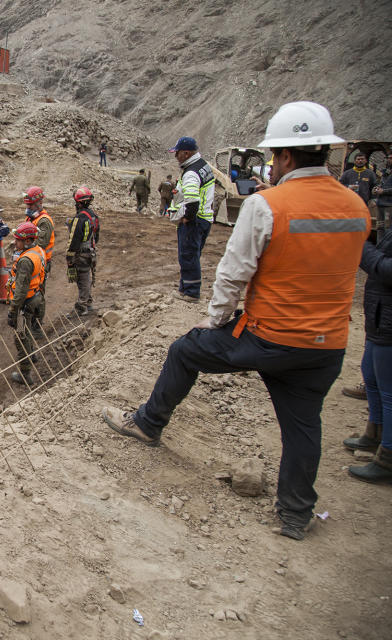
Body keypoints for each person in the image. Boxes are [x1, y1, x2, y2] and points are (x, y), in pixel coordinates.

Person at [100, 101, 371, 540]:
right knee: (303, 424)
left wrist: (216, 320)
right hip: (326, 345)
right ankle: (296, 514)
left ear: (283, 156)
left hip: (270, 335)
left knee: (186, 350)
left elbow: (233, 271)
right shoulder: (357, 206)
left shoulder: (268, 205)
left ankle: (149, 424)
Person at [346, 227, 392, 484]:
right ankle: (374, 433)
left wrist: (361, 247)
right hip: (380, 315)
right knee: (371, 375)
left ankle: (387, 456)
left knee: (389, 391)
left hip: (387, 320)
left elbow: (387, 269)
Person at [168, 136, 215, 302]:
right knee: (191, 254)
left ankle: (191, 292)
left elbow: (193, 200)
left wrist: (187, 217)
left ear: (186, 153)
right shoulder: (203, 166)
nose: (176, 157)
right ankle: (185, 287)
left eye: (178, 153)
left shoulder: (191, 173)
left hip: (195, 220)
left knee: (188, 254)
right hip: (204, 218)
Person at [7, 222, 47, 385]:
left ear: (28, 241)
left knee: (21, 337)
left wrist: (13, 310)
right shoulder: (39, 251)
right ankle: (32, 354)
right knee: (30, 330)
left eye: (18, 240)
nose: (15, 243)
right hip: (37, 297)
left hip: (26, 302)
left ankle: (25, 374)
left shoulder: (25, 260)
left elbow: (21, 291)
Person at [66, 187, 101, 315]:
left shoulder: (79, 219)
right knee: (87, 277)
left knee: (82, 278)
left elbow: (74, 239)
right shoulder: (93, 216)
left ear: (78, 203)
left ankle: (82, 306)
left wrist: (69, 257)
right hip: (91, 251)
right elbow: (96, 236)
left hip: (81, 253)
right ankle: (88, 302)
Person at [23, 186, 55, 277]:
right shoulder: (32, 218)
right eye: (27, 205)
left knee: (34, 289)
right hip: (31, 258)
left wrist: (22, 244)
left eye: (30, 205)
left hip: (40, 261)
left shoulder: (44, 221)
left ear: (40, 202)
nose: (28, 207)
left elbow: (41, 244)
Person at [374, 165, 392, 241]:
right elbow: (379, 184)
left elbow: (384, 189)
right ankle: (379, 247)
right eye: (388, 158)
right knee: (380, 227)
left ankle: (387, 249)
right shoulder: (384, 172)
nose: (389, 160)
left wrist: (384, 191)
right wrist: (375, 189)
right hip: (380, 204)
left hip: (389, 205)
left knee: (388, 228)